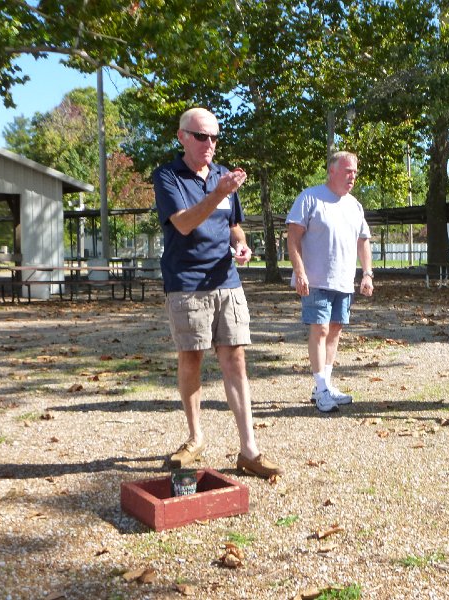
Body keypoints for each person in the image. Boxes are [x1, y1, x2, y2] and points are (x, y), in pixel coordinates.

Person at [153, 107, 282, 478]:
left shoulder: (223, 175)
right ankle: (195, 438)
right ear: (182, 137)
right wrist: (218, 193)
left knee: (235, 358)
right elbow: (184, 224)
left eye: (214, 137)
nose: (209, 143)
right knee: (191, 357)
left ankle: (249, 450)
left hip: (226, 279)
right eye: (201, 136)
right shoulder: (167, 176)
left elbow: (233, 225)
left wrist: (241, 244)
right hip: (186, 282)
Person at [286, 151, 374, 413]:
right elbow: (293, 238)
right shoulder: (310, 198)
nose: (352, 176)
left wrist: (367, 273)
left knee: (335, 330)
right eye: (347, 171)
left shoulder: (355, 205)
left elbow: (363, 241)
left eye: (355, 172)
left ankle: (323, 385)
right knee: (321, 329)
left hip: (344, 281)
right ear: (332, 171)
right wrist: (300, 272)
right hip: (315, 280)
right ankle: (321, 387)